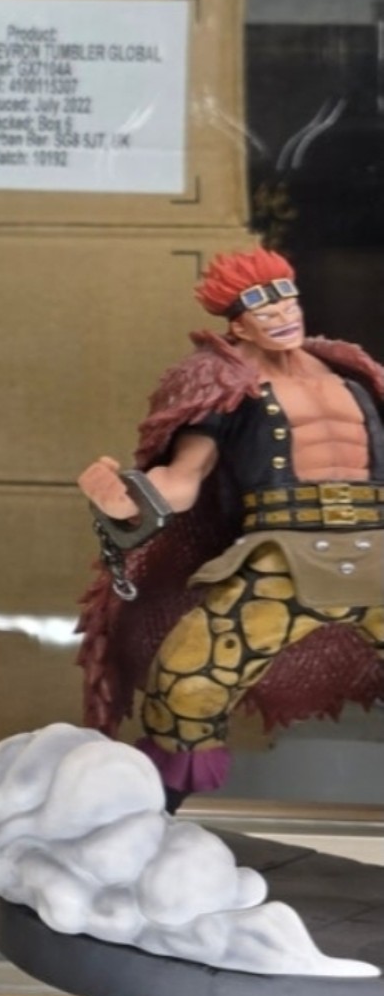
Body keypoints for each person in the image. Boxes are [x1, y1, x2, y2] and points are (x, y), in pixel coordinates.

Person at [78, 247, 384, 801]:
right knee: (185, 687)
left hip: (379, 547)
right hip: (282, 561)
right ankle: (152, 819)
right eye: (265, 311)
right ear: (238, 325)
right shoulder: (225, 388)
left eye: (288, 302)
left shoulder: (353, 378)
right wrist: (125, 500)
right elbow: (184, 478)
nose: (283, 316)